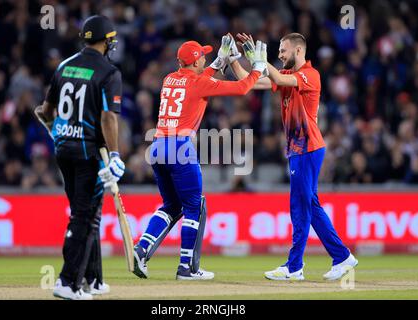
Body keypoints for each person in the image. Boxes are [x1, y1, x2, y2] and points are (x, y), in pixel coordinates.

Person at [132, 36, 268, 280]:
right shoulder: (199, 82)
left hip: (156, 146)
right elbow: (242, 88)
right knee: (195, 206)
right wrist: (257, 68)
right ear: (195, 62)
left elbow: (200, 78)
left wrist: (218, 61)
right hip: (180, 148)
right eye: (202, 56)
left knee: (171, 207)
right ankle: (187, 268)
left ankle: (141, 249)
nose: (205, 58)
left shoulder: (169, 79)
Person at [229, 32, 358, 281]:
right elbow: (251, 82)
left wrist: (259, 58)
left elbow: (274, 75)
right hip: (299, 149)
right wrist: (234, 59)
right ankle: (342, 257)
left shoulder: (310, 75)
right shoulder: (287, 75)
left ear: (299, 51)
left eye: (283, 50)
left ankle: (294, 266)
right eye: (278, 51)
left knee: (299, 206)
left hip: (307, 148)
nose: (279, 55)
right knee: (309, 204)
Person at [35, 15, 125, 299]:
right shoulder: (109, 73)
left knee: (85, 214)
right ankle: (67, 282)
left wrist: (56, 132)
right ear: (106, 41)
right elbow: (108, 117)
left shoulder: (64, 65)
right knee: (85, 217)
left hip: (63, 150)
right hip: (89, 152)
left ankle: (92, 279)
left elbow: (44, 111)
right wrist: (114, 155)